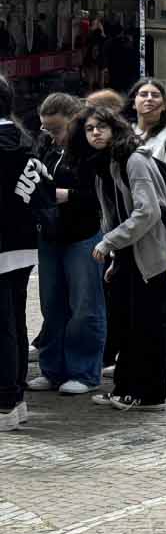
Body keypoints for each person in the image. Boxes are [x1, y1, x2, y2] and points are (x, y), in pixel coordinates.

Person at [70, 103, 166, 412]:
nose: (95, 133)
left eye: (101, 126)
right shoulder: (104, 165)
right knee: (128, 324)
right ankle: (127, 388)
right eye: (89, 129)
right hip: (129, 254)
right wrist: (117, 254)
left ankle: (147, 394)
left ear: (116, 128)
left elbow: (148, 210)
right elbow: (112, 213)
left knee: (146, 325)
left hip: (151, 255)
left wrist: (109, 242)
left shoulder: (132, 161)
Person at [27, 94, 106, 397]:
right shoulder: (48, 147)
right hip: (51, 235)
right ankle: (52, 367)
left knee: (85, 306)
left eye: (56, 129)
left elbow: (99, 196)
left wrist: (65, 195)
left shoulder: (91, 150)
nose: (52, 135)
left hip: (82, 234)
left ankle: (85, 371)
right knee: (52, 304)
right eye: (47, 129)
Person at [0, 76, 44, 431]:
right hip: (23, 244)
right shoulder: (24, 143)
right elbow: (40, 192)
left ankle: (6, 399)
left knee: (4, 326)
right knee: (13, 320)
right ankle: (15, 397)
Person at [125, 77, 166, 179]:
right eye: (143, 95)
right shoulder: (122, 135)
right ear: (133, 103)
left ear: (164, 105)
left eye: (155, 95)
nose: (149, 98)